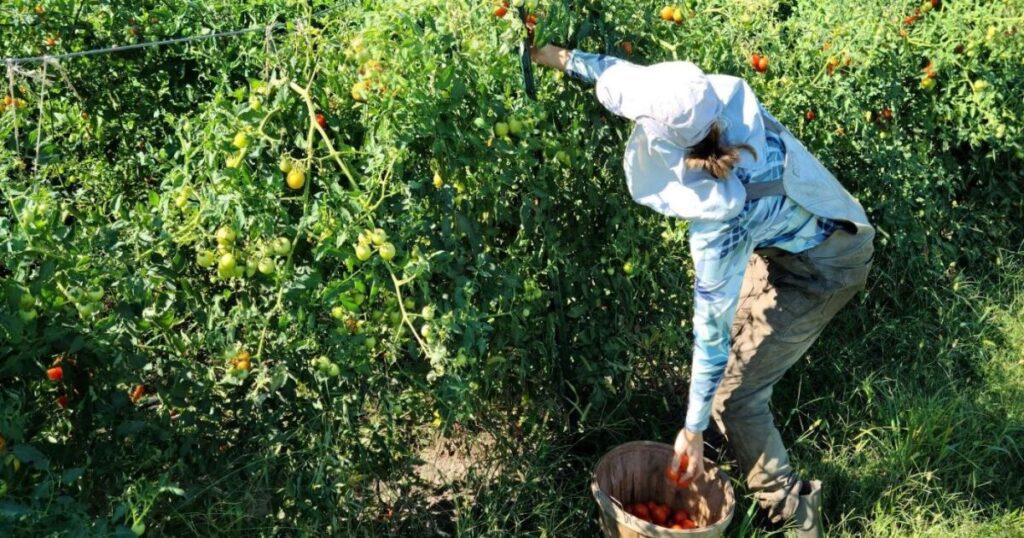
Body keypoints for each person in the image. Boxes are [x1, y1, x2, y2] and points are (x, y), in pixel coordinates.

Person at [530, 45, 875, 537]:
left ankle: (797, 521)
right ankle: (720, 451)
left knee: (734, 395)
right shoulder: (709, 108)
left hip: (827, 265)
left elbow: (708, 337)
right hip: (799, 232)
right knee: (729, 360)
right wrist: (554, 56)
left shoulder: (723, 226)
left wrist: (691, 430)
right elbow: (620, 76)